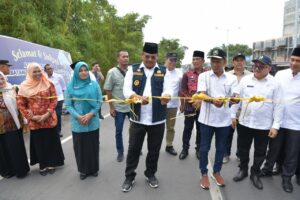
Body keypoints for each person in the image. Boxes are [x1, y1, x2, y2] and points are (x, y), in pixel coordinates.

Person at [121, 42, 172, 192]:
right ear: (142, 55)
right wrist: (135, 96)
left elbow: (168, 88)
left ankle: (151, 174)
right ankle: (129, 176)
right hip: (137, 119)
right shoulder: (133, 69)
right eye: (147, 56)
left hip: (157, 119)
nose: (150, 59)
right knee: (133, 149)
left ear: (157, 57)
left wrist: (166, 96)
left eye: (153, 57)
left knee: (154, 150)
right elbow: (126, 89)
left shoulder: (163, 71)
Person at [232, 55, 283, 190]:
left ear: (269, 68)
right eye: (255, 65)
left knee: (260, 152)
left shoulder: (275, 84)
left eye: (261, 66)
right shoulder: (245, 80)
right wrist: (232, 116)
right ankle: (243, 169)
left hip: (263, 125)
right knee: (242, 148)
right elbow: (237, 98)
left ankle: (255, 173)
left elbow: (279, 106)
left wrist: (275, 126)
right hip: (245, 122)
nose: (257, 68)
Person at [197, 49, 239, 189]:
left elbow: (235, 97)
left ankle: (216, 172)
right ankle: (203, 173)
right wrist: (213, 100)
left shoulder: (232, 78)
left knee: (221, 148)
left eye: (218, 61)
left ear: (224, 62)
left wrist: (233, 100)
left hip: (224, 121)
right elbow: (202, 95)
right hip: (206, 120)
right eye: (212, 61)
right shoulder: (204, 76)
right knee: (204, 149)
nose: (215, 64)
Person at [17, 62, 65, 176]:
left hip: (48, 118)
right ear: (29, 73)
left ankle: (52, 163)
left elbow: (54, 100)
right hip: (35, 121)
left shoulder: (48, 83)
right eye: (34, 71)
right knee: (39, 143)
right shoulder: (23, 87)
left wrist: (47, 114)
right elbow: (20, 104)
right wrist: (32, 116)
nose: (38, 73)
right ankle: (43, 165)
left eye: (39, 71)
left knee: (50, 141)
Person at [65, 61, 101, 180]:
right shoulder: (70, 86)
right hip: (78, 123)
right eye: (80, 70)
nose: (84, 72)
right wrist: (78, 117)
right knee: (80, 148)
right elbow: (69, 105)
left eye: (85, 70)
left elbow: (99, 102)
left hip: (92, 121)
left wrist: (91, 114)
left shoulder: (94, 85)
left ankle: (94, 168)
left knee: (93, 146)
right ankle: (83, 170)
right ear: (76, 72)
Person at [273, 47, 300, 193]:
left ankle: (287, 178)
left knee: (292, 152)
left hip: (296, 124)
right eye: (293, 59)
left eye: (298, 61)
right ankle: (277, 167)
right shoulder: (280, 74)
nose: (295, 63)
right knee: (277, 149)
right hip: (278, 121)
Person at [223, 53, 252, 164]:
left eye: (241, 60)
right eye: (236, 60)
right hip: (229, 110)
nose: (239, 62)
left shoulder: (251, 75)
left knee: (243, 135)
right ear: (233, 62)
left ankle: (240, 155)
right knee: (227, 134)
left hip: (244, 110)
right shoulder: (227, 75)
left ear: (244, 62)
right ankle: (225, 154)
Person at [0, 71, 30, 178]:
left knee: (15, 148)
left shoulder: (12, 89)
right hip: (1, 128)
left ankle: (21, 170)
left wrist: (25, 120)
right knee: (3, 150)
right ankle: (8, 171)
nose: (0, 81)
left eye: (2, 78)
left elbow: (20, 106)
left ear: (5, 78)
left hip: (13, 125)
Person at [104, 50, 130, 162]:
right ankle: (120, 152)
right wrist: (111, 107)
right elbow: (108, 90)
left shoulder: (132, 71)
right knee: (118, 131)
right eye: (123, 56)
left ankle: (134, 149)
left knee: (135, 130)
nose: (126, 58)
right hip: (119, 108)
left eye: (127, 56)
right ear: (118, 58)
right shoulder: (112, 72)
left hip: (131, 107)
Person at [178, 51, 204, 160]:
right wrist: (188, 100)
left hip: (203, 108)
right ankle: (185, 149)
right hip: (189, 107)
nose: (195, 61)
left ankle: (198, 149)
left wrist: (200, 99)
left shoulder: (207, 74)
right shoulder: (187, 74)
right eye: (193, 59)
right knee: (187, 128)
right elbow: (182, 90)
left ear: (203, 61)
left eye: (197, 59)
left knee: (200, 129)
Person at [164, 52, 182, 156]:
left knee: (170, 127)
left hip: (173, 105)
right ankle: (154, 146)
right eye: (171, 60)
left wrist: (182, 103)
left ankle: (169, 145)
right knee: (156, 128)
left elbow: (181, 90)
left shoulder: (179, 73)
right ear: (166, 60)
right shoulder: (160, 71)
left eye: (175, 60)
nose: (173, 62)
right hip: (159, 105)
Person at [44, 64, 66, 137]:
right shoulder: (44, 78)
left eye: (51, 68)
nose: (50, 70)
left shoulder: (58, 76)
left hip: (59, 99)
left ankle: (58, 131)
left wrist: (63, 98)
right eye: (48, 69)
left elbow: (63, 87)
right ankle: (52, 131)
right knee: (50, 115)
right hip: (49, 100)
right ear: (45, 70)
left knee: (57, 115)